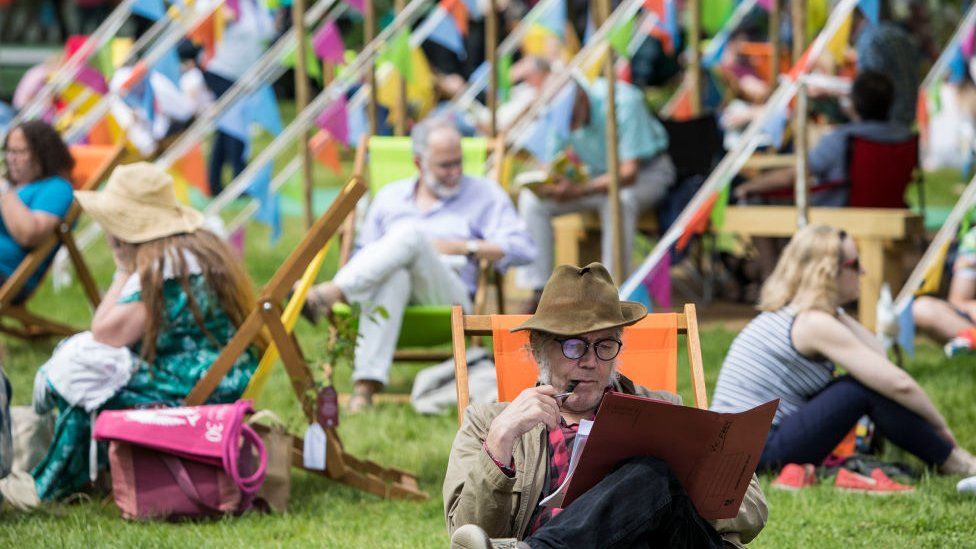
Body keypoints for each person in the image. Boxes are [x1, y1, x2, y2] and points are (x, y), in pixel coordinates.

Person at [444, 263, 767, 548]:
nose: (590, 362)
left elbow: (753, 510)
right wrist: (500, 443)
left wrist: (676, 483)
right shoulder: (490, 423)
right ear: (538, 348)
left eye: (605, 345)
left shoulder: (663, 410)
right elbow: (468, 534)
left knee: (649, 474)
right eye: (574, 346)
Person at [30, 162, 261, 501]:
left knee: (89, 394)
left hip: (199, 388)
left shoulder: (164, 268)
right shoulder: (193, 250)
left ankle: (48, 487)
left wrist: (123, 268)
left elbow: (106, 331)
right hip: (224, 374)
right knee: (92, 375)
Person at [711, 225, 976, 486]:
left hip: (740, 449)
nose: (863, 271)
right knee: (858, 389)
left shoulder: (801, 314)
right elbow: (898, 383)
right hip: (752, 454)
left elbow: (878, 356)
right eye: (854, 262)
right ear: (828, 272)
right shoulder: (812, 323)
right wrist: (943, 430)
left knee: (864, 383)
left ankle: (947, 460)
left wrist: (834, 309)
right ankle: (954, 462)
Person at [302, 117, 535, 412]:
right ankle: (366, 387)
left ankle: (330, 293)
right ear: (418, 163)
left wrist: (465, 246)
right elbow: (364, 254)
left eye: (458, 163)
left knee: (410, 234)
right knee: (396, 273)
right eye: (444, 166)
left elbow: (525, 248)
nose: (455, 173)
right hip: (388, 290)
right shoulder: (389, 197)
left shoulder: (483, 194)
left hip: (448, 293)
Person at [517, 77, 676, 301]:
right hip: (595, 177)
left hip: (645, 175)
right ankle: (539, 291)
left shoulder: (625, 102)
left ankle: (609, 292)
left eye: (571, 119)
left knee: (620, 201)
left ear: (582, 99)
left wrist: (581, 190)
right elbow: (549, 162)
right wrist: (549, 184)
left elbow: (629, 172)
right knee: (531, 200)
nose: (570, 127)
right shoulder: (561, 109)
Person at [734, 70, 911, 206]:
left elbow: (798, 174)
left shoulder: (844, 138)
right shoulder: (905, 136)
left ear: (854, 103)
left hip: (840, 207)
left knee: (756, 200)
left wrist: (749, 187)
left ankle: (773, 256)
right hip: (891, 207)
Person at [204, 0, 274, 194]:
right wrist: (222, 18)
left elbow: (266, 32)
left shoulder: (259, 6)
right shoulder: (229, 3)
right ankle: (238, 179)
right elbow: (207, 24)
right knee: (235, 128)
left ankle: (214, 182)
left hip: (244, 77)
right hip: (223, 71)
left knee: (226, 129)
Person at [0, 120, 76, 293]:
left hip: (8, 273)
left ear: (43, 153)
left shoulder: (56, 187)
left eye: (19, 151)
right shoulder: (15, 187)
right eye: (9, 151)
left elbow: (30, 234)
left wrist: (4, 192)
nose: (11, 158)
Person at [912, 225, 976, 356]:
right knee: (922, 308)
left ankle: (969, 340)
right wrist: (972, 307)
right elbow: (959, 300)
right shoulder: (973, 239)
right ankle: (970, 339)